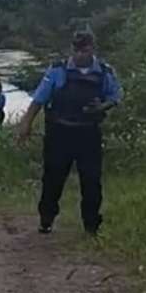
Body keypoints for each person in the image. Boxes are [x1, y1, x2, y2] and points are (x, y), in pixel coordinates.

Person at [17, 31, 122, 235]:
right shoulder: (58, 70)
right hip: (59, 133)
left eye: (84, 49)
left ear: (92, 49)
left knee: (91, 181)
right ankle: (46, 219)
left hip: (89, 134)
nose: (79, 54)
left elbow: (115, 96)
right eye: (76, 49)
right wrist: (25, 125)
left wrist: (102, 107)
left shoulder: (104, 72)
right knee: (52, 179)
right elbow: (38, 100)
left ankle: (92, 226)